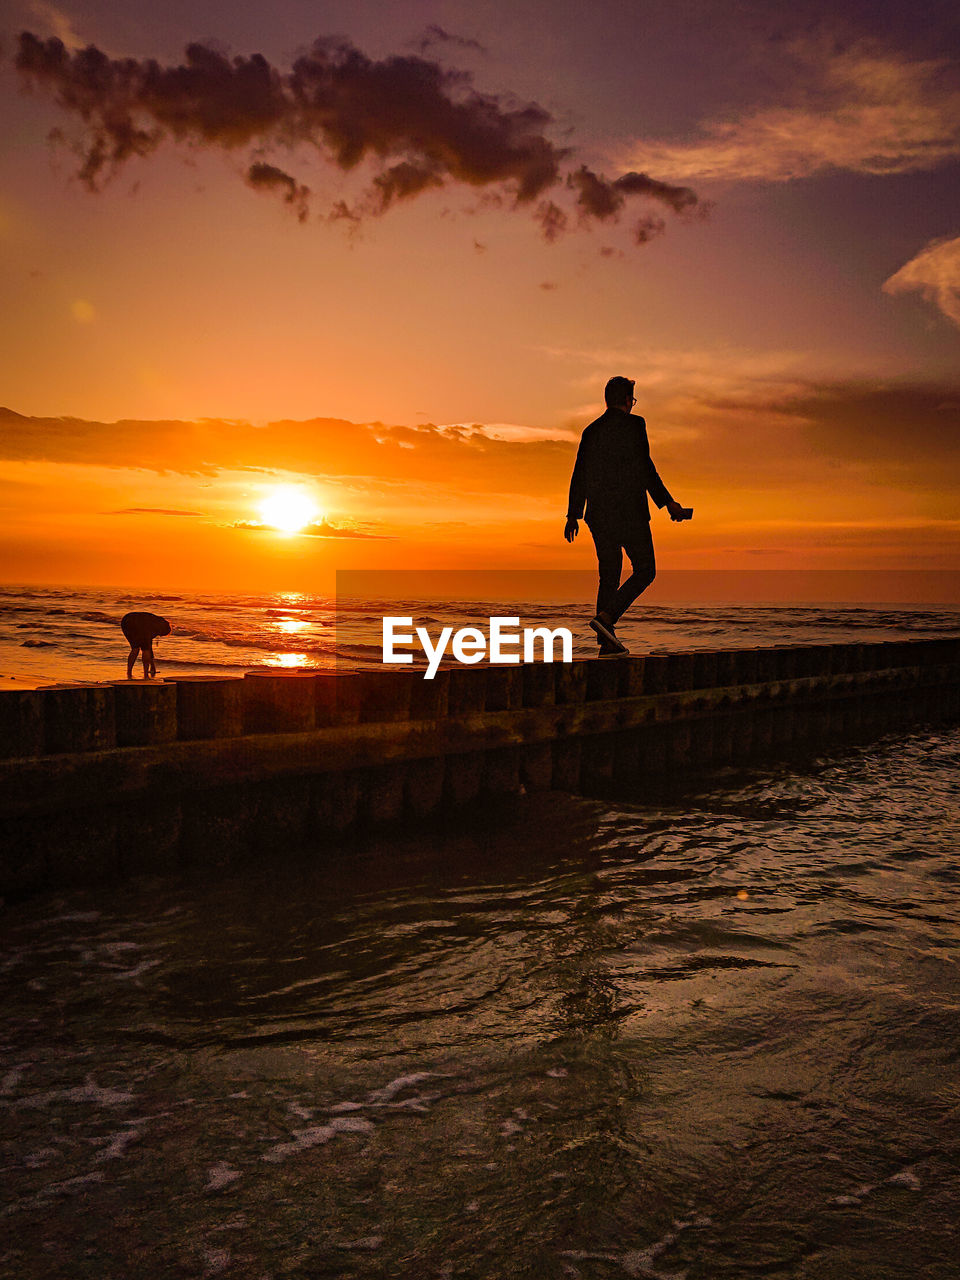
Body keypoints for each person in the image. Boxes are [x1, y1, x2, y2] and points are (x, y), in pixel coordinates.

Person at [565, 376, 687, 656]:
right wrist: (668, 503)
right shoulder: (635, 425)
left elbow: (579, 474)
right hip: (630, 512)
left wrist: (573, 515)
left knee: (608, 575)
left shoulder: (591, 431)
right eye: (632, 400)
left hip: (598, 515)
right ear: (627, 400)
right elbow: (645, 467)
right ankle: (607, 619)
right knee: (646, 570)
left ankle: (606, 644)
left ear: (607, 400)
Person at [121, 611, 171, 679]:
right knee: (144, 649)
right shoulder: (156, 628)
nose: (158, 636)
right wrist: (152, 666)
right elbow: (148, 648)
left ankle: (129, 672)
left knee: (135, 648)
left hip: (126, 620)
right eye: (161, 635)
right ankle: (145, 674)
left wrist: (152, 665)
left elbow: (149, 646)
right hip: (138, 623)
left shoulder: (157, 620)